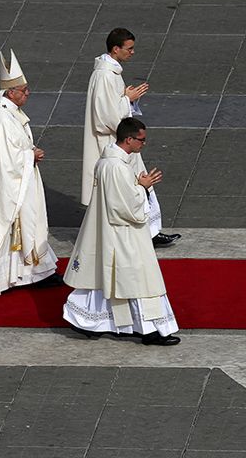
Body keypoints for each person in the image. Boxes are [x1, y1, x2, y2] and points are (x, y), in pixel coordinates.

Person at [64, 117, 180, 346]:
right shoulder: (117, 167)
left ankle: (88, 322)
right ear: (129, 139)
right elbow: (125, 207)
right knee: (139, 280)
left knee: (109, 281)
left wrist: (137, 187)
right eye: (141, 140)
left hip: (113, 232)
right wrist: (143, 188)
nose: (143, 144)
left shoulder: (110, 162)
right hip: (124, 234)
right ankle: (149, 331)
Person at [0, 49, 63, 295]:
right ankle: (7, 277)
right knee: (13, 227)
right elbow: (5, 160)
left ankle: (33, 274)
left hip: (18, 180)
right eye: (24, 91)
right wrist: (31, 155)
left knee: (26, 225)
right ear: (10, 92)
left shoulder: (6, 109)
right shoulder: (1, 118)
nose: (28, 94)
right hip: (7, 186)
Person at [81, 27, 181, 248]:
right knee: (128, 186)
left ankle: (150, 230)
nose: (132, 52)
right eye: (129, 48)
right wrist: (127, 99)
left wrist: (126, 98)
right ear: (116, 49)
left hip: (123, 141)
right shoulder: (105, 75)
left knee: (139, 181)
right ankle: (141, 233)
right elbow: (106, 115)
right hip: (115, 142)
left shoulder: (111, 72)